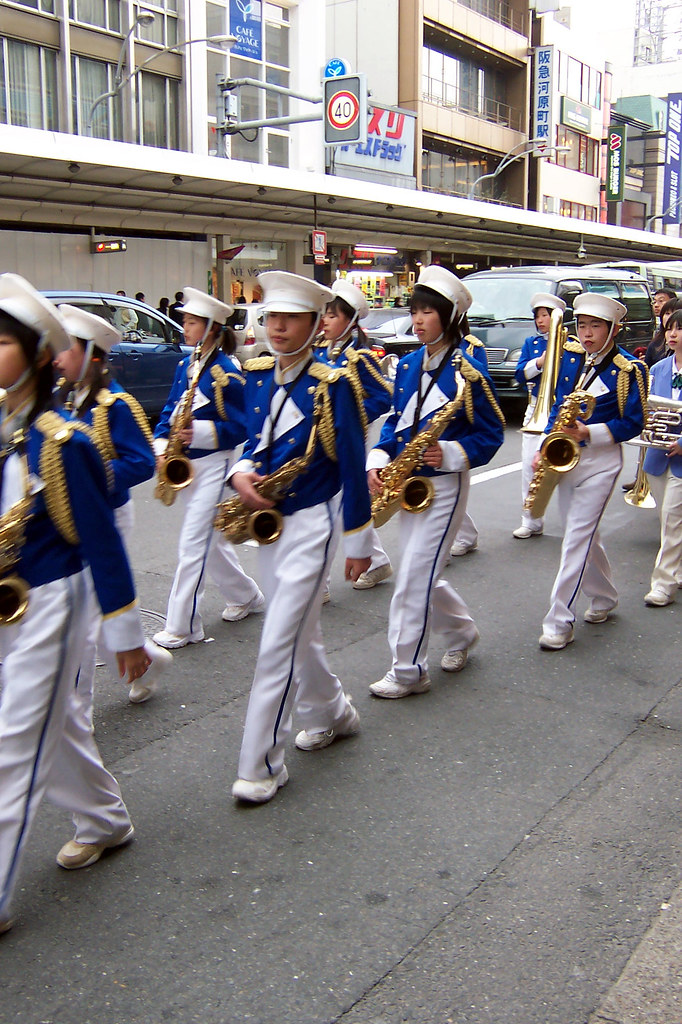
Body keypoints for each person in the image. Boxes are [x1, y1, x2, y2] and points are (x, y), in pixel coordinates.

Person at [0, 275, 150, 935]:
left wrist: (127, 637)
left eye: (1, 340)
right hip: (7, 601)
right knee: (51, 728)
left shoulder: (65, 443)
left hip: (54, 603)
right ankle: (105, 819)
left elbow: (102, 546)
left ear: (35, 354)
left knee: (12, 743)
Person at [226, 271, 373, 804]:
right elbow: (252, 439)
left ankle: (261, 763)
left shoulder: (334, 385)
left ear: (316, 325)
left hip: (312, 524)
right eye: (271, 317)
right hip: (268, 525)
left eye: (292, 318)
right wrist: (241, 471)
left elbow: (352, 469)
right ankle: (335, 712)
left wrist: (358, 544)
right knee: (299, 634)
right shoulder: (258, 374)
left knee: (278, 642)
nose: (278, 327)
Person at [367, 265, 505, 699]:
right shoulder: (407, 366)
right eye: (415, 310)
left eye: (428, 311)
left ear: (449, 316)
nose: (418, 319)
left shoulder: (468, 371)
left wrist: (448, 453)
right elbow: (395, 424)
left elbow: (491, 433)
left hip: (444, 486)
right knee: (420, 573)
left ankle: (408, 671)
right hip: (408, 484)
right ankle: (462, 632)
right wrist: (379, 458)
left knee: (412, 578)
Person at [53, 304, 171, 703]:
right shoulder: (63, 399)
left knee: (85, 614)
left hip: (109, 512)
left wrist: (92, 476)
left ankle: (76, 714)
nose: (57, 358)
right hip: (71, 515)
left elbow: (141, 462)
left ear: (93, 356)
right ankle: (146, 657)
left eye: (66, 349)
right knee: (94, 607)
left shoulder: (116, 405)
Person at [152, 287, 263, 650]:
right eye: (185, 320)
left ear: (213, 327)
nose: (184, 326)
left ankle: (184, 625)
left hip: (215, 463)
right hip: (186, 463)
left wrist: (197, 432)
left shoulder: (227, 370)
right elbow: (170, 407)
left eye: (191, 321)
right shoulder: (187, 363)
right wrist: (161, 444)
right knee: (209, 543)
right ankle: (247, 595)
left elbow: (244, 425)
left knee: (193, 544)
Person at [535, 293, 647, 650]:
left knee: (575, 540)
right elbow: (556, 405)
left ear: (613, 329)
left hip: (601, 462)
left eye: (595, 326)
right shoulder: (571, 359)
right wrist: (544, 447)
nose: (586, 333)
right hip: (567, 459)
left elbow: (634, 421)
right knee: (581, 535)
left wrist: (589, 433)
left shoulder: (631, 369)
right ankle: (604, 596)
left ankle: (559, 619)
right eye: (582, 325)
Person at [318, 278, 393, 590]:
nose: (325, 321)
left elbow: (383, 396)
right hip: (322, 437)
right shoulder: (322, 352)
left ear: (349, 322)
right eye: (325, 314)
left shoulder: (359, 357)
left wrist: (354, 413)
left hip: (351, 436)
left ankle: (317, 584)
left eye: (333, 315)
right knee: (338, 501)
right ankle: (376, 559)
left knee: (337, 500)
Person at [511, 292, 566, 540]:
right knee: (528, 468)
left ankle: (572, 519)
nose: (541, 320)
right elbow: (520, 374)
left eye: (546, 315)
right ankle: (531, 518)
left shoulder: (570, 343)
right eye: (538, 316)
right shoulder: (531, 344)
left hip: (561, 410)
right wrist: (541, 362)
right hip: (536, 408)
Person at [642, 309, 682, 606]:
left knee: (671, 517)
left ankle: (663, 584)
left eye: (679, 329)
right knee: (667, 520)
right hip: (657, 454)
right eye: (669, 328)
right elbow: (648, 409)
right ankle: (677, 570)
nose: (672, 334)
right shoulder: (658, 369)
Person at [448, 312, 490, 558]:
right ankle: (466, 534)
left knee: (448, 489)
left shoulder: (472, 349)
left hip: (458, 423)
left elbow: (481, 385)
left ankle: (462, 537)